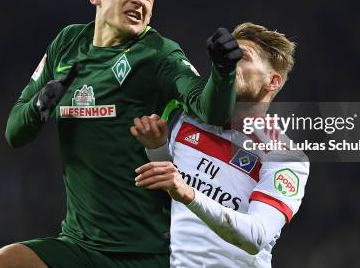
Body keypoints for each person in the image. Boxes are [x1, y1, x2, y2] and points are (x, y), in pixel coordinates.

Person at [0, 0, 242, 268]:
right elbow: (14, 133)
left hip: (146, 253)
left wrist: (223, 71)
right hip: (78, 245)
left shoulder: (158, 53)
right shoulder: (67, 43)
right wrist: (40, 105)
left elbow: (210, 111)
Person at [130, 22, 309, 268]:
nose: (231, 62)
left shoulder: (284, 156)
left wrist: (189, 194)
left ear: (273, 81)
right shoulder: (189, 118)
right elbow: (173, 187)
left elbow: (256, 236)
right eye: (229, 55)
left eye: (243, 57)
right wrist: (157, 148)